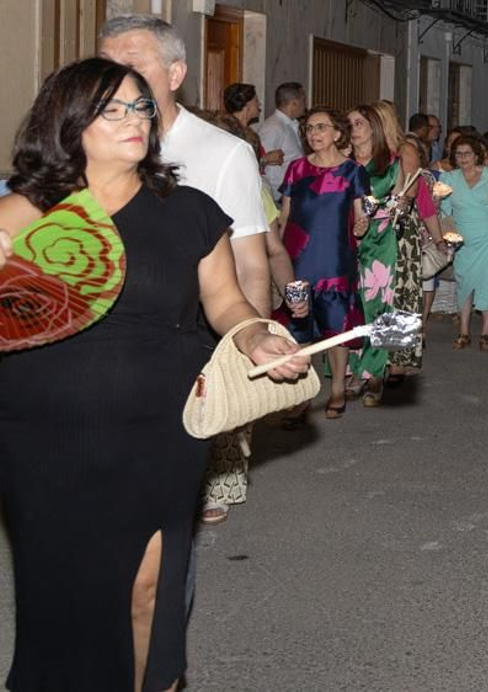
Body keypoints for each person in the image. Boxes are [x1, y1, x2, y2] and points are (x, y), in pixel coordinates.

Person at [0, 59, 308, 692]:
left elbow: (225, 302)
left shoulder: (188, 209)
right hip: (46, 436)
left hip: (160, 427)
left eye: (141, 107)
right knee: (63, 593)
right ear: (68, 121)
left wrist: (255, 335)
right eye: (112, 109)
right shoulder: (26, 210)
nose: (134, 120)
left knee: (150, 586)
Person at [98, 16, 272, 525]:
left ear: (175, 74)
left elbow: (249, 262)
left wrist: (252, 351)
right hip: (102, 348)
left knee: (170, 504)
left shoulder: (223, 153)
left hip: (189, 337)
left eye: (132, 65)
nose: (116, 79)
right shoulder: (84, 147)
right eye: (104, 65)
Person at [279, 106, 371, 419]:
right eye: (309, 128)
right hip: (298, 258)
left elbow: (361, 217)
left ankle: (337, 389)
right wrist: (276, 257)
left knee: (336, 324)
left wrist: (362, 226)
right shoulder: (296, 169)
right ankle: (301, 393)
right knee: (298, 327)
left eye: (321, 127)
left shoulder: (352, 171)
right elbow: (285, 216)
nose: (314, 134)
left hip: (335, 258)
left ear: (337, 133)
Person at [437, 134, 488, 351]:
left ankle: (486, 333)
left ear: (476, 155)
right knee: (464, 284)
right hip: (462, 240)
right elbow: (445, 212)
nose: (463, 158)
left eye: (467, 153)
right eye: (458, 154)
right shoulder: (449, 179)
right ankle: (464, 332)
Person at [348, 104, 400, 404]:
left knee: (382, 304)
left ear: (374, 128)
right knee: (353, 304)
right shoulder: (342, 163)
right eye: (350, 124)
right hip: (347, 241)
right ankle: (355, 369)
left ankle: (376, 371)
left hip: (381, 239)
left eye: (359, 123)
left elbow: (404, 200)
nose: (354, 129)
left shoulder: (390, 163)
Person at [386, 132, 442, 384]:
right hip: (371, 240)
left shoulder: (416, 177)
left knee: (401, 299)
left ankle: (398, 360)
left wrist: (438, 240)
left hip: (403, 239)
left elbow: (427, 208)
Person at [257, 82, 306, 200]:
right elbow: (264, 163)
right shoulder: (273, 127)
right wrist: (276, 196)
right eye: (303, 100)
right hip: (278, 195)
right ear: (294, 103)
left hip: (290, 192)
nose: (305, 105)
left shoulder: (289, 125)